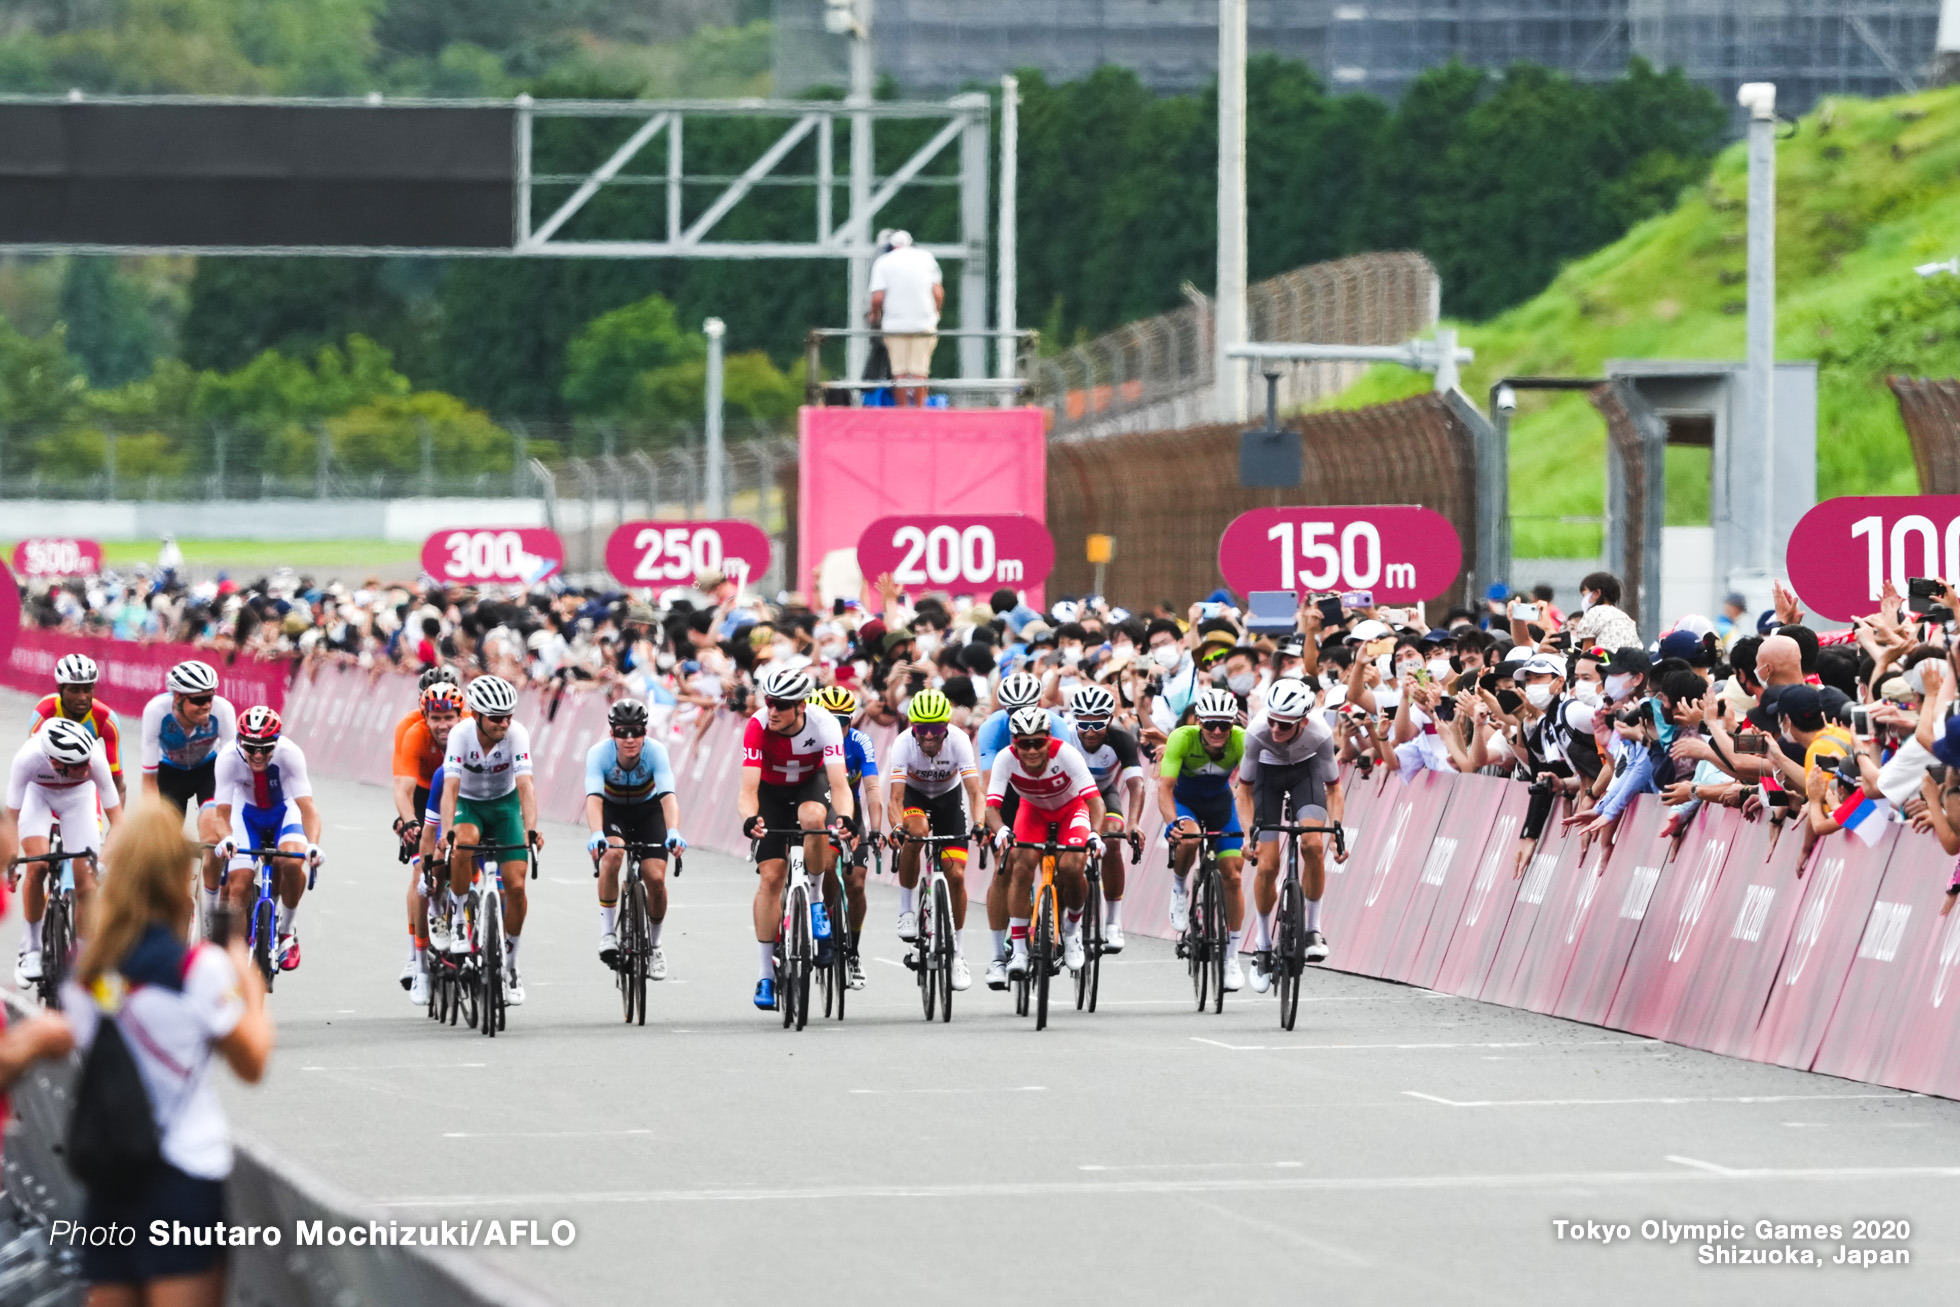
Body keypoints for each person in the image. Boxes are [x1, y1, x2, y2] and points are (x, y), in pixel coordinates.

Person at [66, 799, 273, 1307]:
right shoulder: (194, 969)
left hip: (109, 1175)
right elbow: (252, 1061)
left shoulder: (85, 972)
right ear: (173, 878)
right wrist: (249, 984)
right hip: (182, 1174)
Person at [737, 666, 857, 1011]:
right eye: (769, 701)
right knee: (771, 878)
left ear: (801, 706)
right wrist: (749, 820)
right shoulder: (758, 725)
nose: (772, 710)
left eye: (781, 704)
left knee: (814, 818)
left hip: (810, 784)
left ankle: (816, 901)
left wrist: (846, 816)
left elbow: (838, 785)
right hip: (771, 794)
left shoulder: (825, 724)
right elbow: (747, 790)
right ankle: (765, 975)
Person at [438, 676, 541, 1005]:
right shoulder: (460, 734)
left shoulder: (516, 734)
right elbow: (450, 787)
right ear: (478, 715)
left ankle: (510, 966)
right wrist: (446, 831)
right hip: (469, 805)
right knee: (462, 844)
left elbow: (526, 785)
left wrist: (531, 829)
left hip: (505, 806)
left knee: (516, 885)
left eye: (509, 715)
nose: (505, 722)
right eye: (497, 717)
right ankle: (457, 918)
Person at [1238, 679, 1344, 989]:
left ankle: (1312, 928)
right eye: (1271, 720)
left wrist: (1336, 831)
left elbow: (1334, 790)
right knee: (1268, 865)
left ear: (1302, 721)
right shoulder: (1257, 733)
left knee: (1312, 843)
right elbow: (1243, 792)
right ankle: (1261, 943)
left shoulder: (1320, 734)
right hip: (1266, 779)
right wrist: (1248, 836)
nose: (1274, 729)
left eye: (1283, 725)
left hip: (1305, 773)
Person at [984, 706, 1105, 978]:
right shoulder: (1006, 759)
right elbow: (991, 807)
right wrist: (1001, 830)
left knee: (1073, 866)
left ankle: (1072, 932)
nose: (1031, 750)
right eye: (1023, 744)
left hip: (1071, 809)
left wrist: (1095, 833)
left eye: (1037, 742)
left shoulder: (1066, 754)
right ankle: (1019, 951)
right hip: (1033, 811)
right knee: (1020, 864)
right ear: (1014, 743)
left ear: (1048, 738)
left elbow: (1094, 800)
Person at [5, 719, 123, 988]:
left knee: (87, 885)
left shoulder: (94, 759)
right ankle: (31, 948)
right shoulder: (28, 759)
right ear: (56, 763)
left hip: (79, 799)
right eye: (80, 765)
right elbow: (10, 820)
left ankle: (84, 956)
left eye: (87, 761)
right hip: (38, 797)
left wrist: (102, 862)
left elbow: (119, 822)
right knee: (38, 867)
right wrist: (10, 864)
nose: (88, 766)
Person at [885, 687, 982, 991]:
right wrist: (897, 827)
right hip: (913, 798)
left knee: (956, 874)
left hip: (948, 801)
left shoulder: (959, 741)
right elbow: (895, 799)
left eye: (935, 729)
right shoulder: (903, 744)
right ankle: (906, 911)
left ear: (946, 727)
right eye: (921, 729)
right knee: (916, 832)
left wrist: (979, 823)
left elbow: (976, 792)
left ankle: (959, 954)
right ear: (912, 727)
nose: (928, 736)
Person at [211, 707, 320, 974]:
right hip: (244, 813)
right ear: (239, 741)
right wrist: (226, 838)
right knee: (239, 884)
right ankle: (234, 956)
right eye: (251, 747)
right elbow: (221, 814)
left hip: (284, 810)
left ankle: (286, 932)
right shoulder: (227, 757)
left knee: (292, 863)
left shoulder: (289, 754)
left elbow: (308, 809)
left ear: (277, 742)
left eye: (265, 747)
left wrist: (313, 844)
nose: (258, 754)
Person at [585, 698, 684, 983]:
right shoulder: (599, 754)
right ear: (612, 733)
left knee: (655, 878)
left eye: (636, 731)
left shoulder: (656, 752)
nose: (630, 739)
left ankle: (654, 946)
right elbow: (593, 799)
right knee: (613, 855)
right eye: (622, 732)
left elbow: (668, 796)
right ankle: (607, 934)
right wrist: (596, 834)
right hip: (612, 810)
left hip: (647, 811)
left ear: (645, 731)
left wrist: (674, 830)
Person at [1159, 687, 1249, 990]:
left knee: (1233, 876)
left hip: (1221, 804)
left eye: (1225, 724)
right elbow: (1165, 787)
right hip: (1185, 802)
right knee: (1190, 838)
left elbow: (1251, 789)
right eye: (1211, 724)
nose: (1218, 731)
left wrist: (1253, 831)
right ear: (1199, 722)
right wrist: (1172, 823)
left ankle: (1232, 957)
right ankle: (1179, 888)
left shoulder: (1241, 741)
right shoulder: (1181, 738)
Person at [139, 661, 238, 934]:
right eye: (199, 699)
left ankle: (210, 914)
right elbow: (148, 781)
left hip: (209, 770)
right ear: (178, 699)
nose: (208, 704)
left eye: (211, 696)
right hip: (169, 774)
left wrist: (227, 820)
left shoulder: (223, 711)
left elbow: (232, 771)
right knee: (160, 843)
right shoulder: (156, 712)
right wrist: (152, 824)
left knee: (211, 834)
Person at [392, 677, 464, 994]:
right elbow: (402, 788)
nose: (441, 722)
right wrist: (408, 822)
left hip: (461, 789)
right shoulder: (411, 730)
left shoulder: (470, 728)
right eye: (433, 713)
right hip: (424, 794)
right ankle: (415, 956)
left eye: (448, 714)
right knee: (421, 872)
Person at [1064, 684, 1145, 954]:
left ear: (1109, 720)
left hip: (1104, 791)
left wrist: (1134, 822)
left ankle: (1113, 922)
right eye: (1083, 723)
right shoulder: (1064, 734)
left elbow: (1136, 786)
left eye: (1097, 724)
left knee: (1112, 836)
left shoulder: (1121, 740)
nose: (1089, 731)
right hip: (1068, 796)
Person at [812, 685, 883, 990]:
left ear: (850, 723)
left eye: (841, 722)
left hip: (849, 811)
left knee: (856, 881)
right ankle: (821, 921)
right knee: (827, 865)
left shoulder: (859, 742)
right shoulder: (808, 744)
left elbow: (871, 788)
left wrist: (877, 828)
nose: (836, 729)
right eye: (829, 722)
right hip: (816, 809)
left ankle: (852, 951)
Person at [32, 653, 126, 804]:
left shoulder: (107, 720)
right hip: (47, 784)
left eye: (87, 689)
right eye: (75, 690)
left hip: (82, 784)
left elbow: (118, 785)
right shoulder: (43, 714)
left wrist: (117, 827)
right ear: (60, 690)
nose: (82, 697)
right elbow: (32, 768)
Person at [866, 230, 943, 407]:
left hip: (895, 324)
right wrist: (936, 312)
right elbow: (937, 292)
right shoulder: (926, 258)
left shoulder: (883, 262)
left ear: (891, 247)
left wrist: (875, 315)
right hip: (924, 323)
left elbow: (877, 297)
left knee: (899, 372)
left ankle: (903, 412)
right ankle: (919, 410)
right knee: (920, 371)